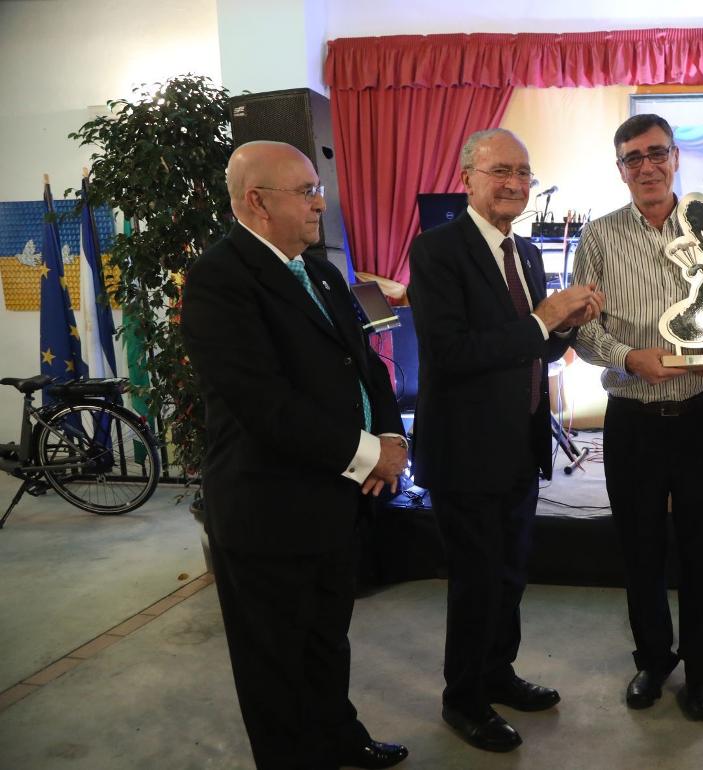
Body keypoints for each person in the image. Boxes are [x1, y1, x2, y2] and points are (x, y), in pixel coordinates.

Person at [182, 140, 410, 770]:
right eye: (306, 189)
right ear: (257, 202)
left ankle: (339, 735)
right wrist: (369, 453)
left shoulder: (324, 272)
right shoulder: (219, 280)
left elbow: (367, 367)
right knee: (273, 663)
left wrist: (392, 438)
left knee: (325, 639)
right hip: (267, 509)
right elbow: (266, 407)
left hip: (335, 499)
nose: (320, 201)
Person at [407, 129, 604, 753]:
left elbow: (529, 349)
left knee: (512, 574)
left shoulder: (526, 253)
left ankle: (497, 673)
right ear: (467, 174)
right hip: (464, 452)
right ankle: (462, 698)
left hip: (520, 441)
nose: (515, 183)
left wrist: (565, 328)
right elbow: (452, 352)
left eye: (523, 171)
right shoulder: (436, 251)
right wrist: (543, 320)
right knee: (475, 582)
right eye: (501, 171)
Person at [573, 113, 703, 722]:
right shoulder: (598, 238)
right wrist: (629, 357)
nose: (646, 167)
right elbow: (583, 328)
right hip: (632, 419)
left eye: (656, 154)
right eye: (633, 158)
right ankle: (653, 660)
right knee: (640, 549)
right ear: (620, 169)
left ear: (676, 157)